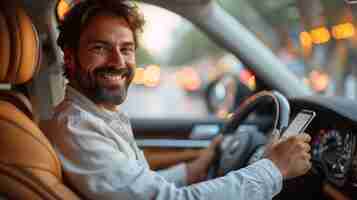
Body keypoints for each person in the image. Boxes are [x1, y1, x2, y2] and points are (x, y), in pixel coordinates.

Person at [48, 0, 312, 199]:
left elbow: (141, 186)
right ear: (69, 57)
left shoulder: (98, 116)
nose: (118, 62)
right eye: (100, 48)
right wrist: (274, 169)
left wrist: (193, 169)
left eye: (126, 49)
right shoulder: (76, 128)